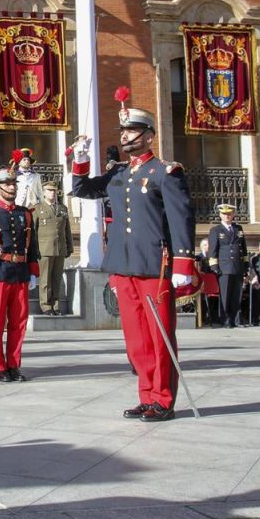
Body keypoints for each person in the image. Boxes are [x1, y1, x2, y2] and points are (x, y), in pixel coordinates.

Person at [70, 87, 197, 422]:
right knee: (136, 340)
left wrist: (184, 262)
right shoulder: (120, 173)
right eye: (123, 131)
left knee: (159, 336)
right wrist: (80, 159)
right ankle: (146, 394)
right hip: (124, 266)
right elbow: (83, 189)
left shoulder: (165, 173)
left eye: (130, 131)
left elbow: (181, 217)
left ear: (148, 136)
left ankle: (163, 399)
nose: (124, 136)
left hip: (154, 266)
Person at [0, 165, 40, 381]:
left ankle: (14, 364)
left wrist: (34, 272)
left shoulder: (25, 214)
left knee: (18, 324)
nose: (11, 187)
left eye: (13, 184)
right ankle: (0, 366)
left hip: (21, 274)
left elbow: (32, 246)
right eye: (6, 184)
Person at [33, 180, 73, 315]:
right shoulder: (37, 208)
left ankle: (55, 304)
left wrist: (69, 247)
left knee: (56, 278)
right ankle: (45, 306)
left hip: (60, 248)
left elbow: (66, 230)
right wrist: (34, 249)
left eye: (54, 191)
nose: (52, 193)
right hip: (44, 249)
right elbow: (33, 231)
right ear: (44, 193)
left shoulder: (62, 208)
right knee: (45, 279)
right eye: (49, 191)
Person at [206, 204, 247, 327]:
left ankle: (237, 319)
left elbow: (243, 248)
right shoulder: (216, 230)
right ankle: (226, 320)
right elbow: (213, 249)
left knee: (237, 295)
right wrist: (214, 265)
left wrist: (245, 265)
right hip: (224, 266)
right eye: (224, 214)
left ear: (233, 214)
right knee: (225, 295)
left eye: (229, 214)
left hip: (237, 266)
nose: (227, 216)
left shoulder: (238, 228)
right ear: (220, 215)